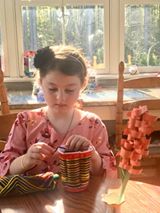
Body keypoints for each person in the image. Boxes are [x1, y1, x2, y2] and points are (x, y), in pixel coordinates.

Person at [0, 45, 116, 177]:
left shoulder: (94, 125)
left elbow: (107, 174)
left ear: (83, 84)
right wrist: (26, 160)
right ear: (40, 83)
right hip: (34, 198)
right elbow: (5, 170)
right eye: (52, 89)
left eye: (69, 90)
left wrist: (93, 156)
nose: (60, 98)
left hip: (80, 197)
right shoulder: (25, 122)